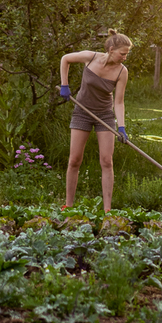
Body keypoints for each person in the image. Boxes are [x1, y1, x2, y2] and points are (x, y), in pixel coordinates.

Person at [59, 29, 132, 211]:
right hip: (82, 112)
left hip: (104, 116)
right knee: (74, 159)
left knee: (106, 161)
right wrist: (64, 85)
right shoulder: (90, 57)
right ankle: (68, 206)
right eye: (122, 53)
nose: (125, 57)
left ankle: (107, 210)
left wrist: (121, 127)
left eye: (127, 54)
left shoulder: (122, 72)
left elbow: (119, 101)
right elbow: (65, 59)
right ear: (112, 49)